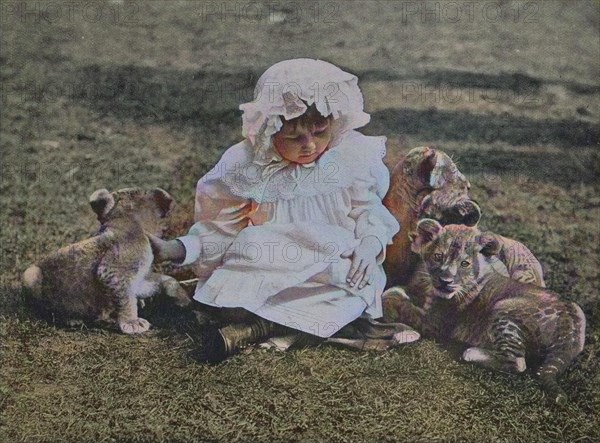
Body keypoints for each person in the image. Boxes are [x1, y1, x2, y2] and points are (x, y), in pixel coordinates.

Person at [150, 58, 401, 361]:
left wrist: (370, 243)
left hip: (332, 264)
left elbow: (368, 211)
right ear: (270, 130)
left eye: (320, 132)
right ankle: (277, 324)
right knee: (247, 260)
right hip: (272, 261)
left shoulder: (347, 158)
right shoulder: (249, 165)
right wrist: (175, 249)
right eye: (294, 137)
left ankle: (260, 329)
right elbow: (221, 229)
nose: (309, 145)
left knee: (356, 280)